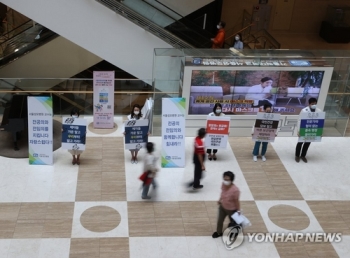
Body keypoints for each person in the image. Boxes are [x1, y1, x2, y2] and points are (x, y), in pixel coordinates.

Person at [212, 171, 240, 238]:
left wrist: (238, 210)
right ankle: (219, 232)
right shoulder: (223, 184)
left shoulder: (235, 190)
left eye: (227, 180)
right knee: (220, 220)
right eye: (225, 179)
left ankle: (233, 233)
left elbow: (237, 201)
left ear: (231, 180)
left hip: (232, 210)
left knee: (233, 223)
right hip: (223, 207)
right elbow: (223, 192)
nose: (225, 181)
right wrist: (220, 199)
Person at [295, 98, 322, 163]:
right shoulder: (304, 110)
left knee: (307, 143)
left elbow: (320, 122)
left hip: (312, 130)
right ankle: (297, 156)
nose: (314, 105)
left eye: (315, 103)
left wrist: (320, 132)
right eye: (312, 104)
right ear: (309, 104)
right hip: (304, 129)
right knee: (300, 143)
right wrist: (298, 131)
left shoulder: (319, 111)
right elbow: (299, 121)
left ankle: (303, 156)